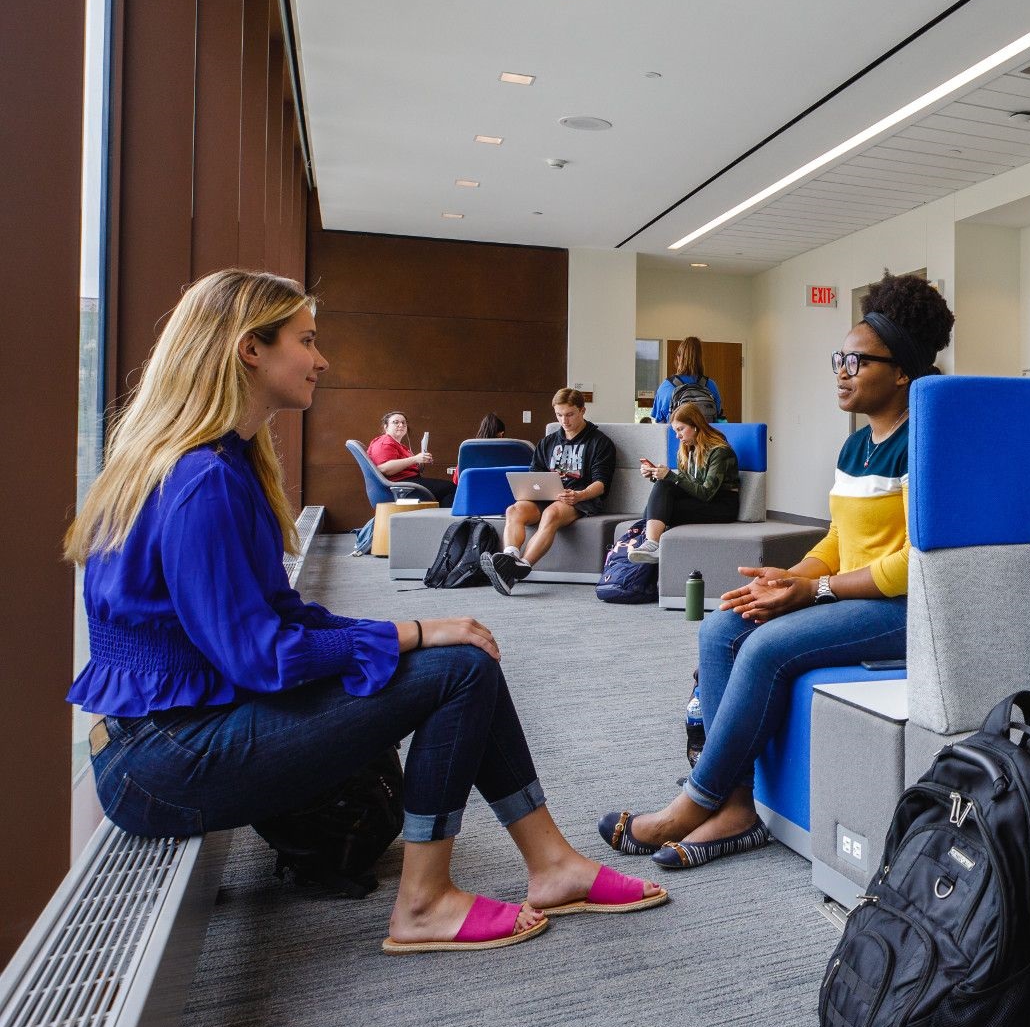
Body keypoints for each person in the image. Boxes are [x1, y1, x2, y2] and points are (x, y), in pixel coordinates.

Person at [64, 269, 664, 954]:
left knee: (462, 650)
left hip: (167, 741)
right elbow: (262, 655)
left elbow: (283, 614)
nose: (321, 359)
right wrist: (408, 631)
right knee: (460, 668)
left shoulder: (215, 463)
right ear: (249, 350)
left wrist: (410, 635)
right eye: (307, 340)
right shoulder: (202, 480)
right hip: (161, 761)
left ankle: (552, 864)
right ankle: (425, 902)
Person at [598, 273, 952, 872]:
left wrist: (813, 590)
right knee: (721, 626)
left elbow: (916, 561)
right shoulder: (856, 448)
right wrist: (790, 577)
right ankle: (735, 807)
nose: (840, 370)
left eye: (855, 360)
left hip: (903, 609)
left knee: (762, 648)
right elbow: (841, 538)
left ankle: (693, 803)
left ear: (901, 372)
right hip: (849, 595)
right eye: (838, 358)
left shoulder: (927, 441)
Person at [482, 388, 617, 595]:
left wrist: (579, 495)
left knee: (551, 513)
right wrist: (531, 491)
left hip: (580, 499)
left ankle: (521, 566)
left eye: (570, 414)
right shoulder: (548, 442)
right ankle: (509, 558)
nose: (565, 420)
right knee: (514, 510)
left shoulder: (599, 442)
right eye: (559, 415)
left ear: (583, 410)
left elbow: (601, 484)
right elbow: (534, 476)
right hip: (546, 496)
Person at [626, 404, 740, 564]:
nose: (677, 436)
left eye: (680, 429)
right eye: (675, 431)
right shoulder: (688, 449)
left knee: (659, 510)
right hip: (700, 501)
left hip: (721, 505)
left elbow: (707, 493)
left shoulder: (720, 452)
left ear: (695, 426)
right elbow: (686, 483)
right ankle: (652, 545)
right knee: (656, 501)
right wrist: (656, 475)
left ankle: (653, 545)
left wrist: (671, 477)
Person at [365, 410, 453, 507]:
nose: (401, 425)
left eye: (404, 422)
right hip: (401, 486)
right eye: (396, 422)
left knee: (447, 488)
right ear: (386, 427)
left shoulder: (398, 445)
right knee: (451, 488)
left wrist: (420, 461)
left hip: (407, 482)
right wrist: (415, 459)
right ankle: (450, 522)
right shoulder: (384, 442)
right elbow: (385, 468)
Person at [652, 336, 723, 423]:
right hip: (705, 436)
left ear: (678, 358)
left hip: (676, 436)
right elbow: (719, 418)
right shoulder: (711, 385)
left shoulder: (666, 386)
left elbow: (659, 422)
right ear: (701, 359)